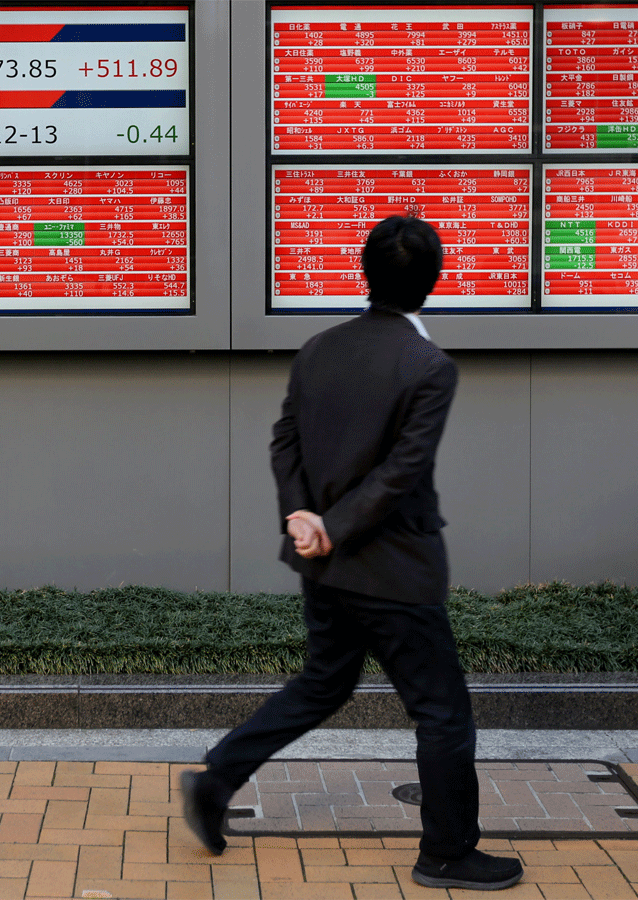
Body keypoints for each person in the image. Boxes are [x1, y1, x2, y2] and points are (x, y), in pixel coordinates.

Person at [180, 215, 523, 891]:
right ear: (434, 281)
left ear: (364, 273)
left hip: (326, 566)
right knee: (443, 713)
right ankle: (448, 853)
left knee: (323, 684)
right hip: (394, 571)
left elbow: (284, 441)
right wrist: (330, 526)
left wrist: (303, 518)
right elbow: (401, 472)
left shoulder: (319, 348)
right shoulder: (429, 367)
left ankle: (215, 781)